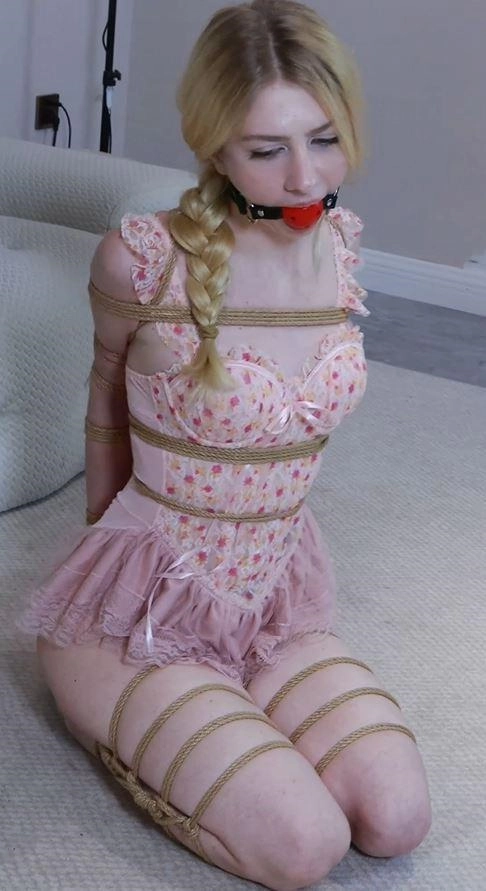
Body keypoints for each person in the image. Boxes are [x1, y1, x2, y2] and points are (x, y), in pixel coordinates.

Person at [21, 1, 431, 888]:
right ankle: (111, 708)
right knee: (305, 846)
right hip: (139, 609)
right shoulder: (141, 260)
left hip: (275, 596)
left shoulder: (342, 248)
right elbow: (105, 407)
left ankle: (225, 712)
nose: (304, 176)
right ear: (214, 146)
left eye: (324, 139)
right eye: (266, 149)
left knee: (398, 818)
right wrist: (109, 578)